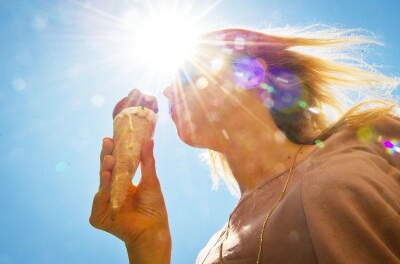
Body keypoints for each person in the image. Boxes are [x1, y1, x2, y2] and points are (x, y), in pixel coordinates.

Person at [89, 27, 400, 263]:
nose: (169, 91)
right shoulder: (212, 250)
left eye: (186, 77)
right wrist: (147, 242)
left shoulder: (354, 158)